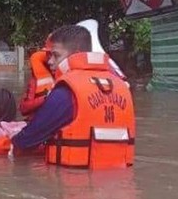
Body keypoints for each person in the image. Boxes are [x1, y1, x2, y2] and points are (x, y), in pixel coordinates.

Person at [11, 25, 135, 168]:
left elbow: (27, 140)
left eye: (56, 55)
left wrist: (11, 142)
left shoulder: (66, 91)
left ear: (76, 54)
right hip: (118, 181)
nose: (50, 61)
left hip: (73, 183)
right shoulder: (121, 87)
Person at [18, 37, 54, 119]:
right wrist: (45, 98)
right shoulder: (36, 80)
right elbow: (23, 108)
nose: (51, 59)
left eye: (56, 55)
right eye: (48, 54)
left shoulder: (74, 79)